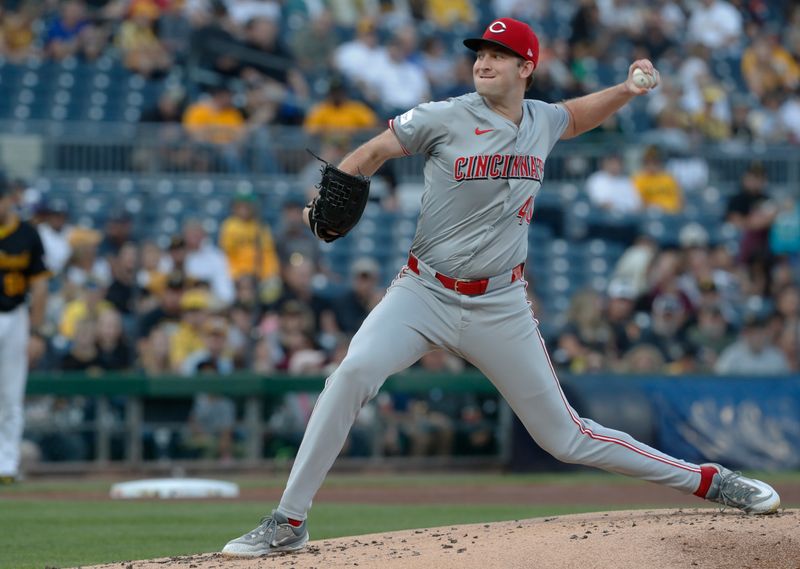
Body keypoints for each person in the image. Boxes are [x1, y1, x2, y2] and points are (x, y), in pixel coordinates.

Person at [221, 17, 781, 557]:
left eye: (498, 56)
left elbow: (577, 117)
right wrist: (331, 196)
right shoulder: (442, 116)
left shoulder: (541, 120)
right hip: (423, 293)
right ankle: (288, 520)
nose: (484, 63)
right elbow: (372, 152)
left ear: (526, 68)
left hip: (500, 303)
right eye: (480, 55)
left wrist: (627, 90)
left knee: (565, 437)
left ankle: (710, 481)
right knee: (352, 373)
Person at [0, 176, 49, 484]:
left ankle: (6, 463)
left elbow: (41, 286)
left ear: (9, 199)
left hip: (15, 314)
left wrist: (36, 332)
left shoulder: (27, 233)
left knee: (10, 394)